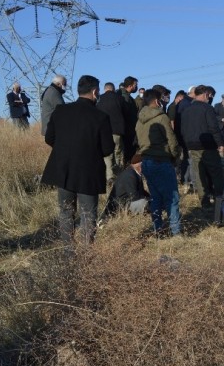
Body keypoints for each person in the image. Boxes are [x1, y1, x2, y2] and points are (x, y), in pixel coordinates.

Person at [41, 75, 113, 250]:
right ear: (95, 91)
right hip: (88, 173)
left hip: (63, 170)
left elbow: (49, 138)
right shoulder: (100, 116)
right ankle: (87, 252)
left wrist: (65, 150)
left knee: (65, 212)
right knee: (88, 215)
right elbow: (107, 149)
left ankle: (68, 250)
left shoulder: (60, 111)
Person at [136, 88, 182, 236]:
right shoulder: (162, 118)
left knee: (155, 198)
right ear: (157, 101)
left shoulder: (139, 120)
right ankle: (176, 233)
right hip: (162, 161)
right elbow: (172, 141)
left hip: (147, 162)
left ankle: (158, 229)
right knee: (172, 197)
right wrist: (175, 157)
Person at [181, 85, 224, 208]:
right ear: (206, 94)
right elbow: (213, 128)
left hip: (192, 146)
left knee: (199, 174)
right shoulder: (207, 108)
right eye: (209, 95)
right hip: (208, 146)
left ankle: (204, 201)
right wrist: (220, 144)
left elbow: (183, 129)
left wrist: (186, 143)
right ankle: (219, 199)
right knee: (216, 173)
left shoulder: (186, 109)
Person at [100, 153, 149, 221]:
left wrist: (151, 198)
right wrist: (148, 200)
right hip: (118, 209)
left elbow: (141, 191)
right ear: (140, 165)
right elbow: (134, 196)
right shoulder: (130, 175)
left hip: (125, 203)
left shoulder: (133, 172)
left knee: (150, 202)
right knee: (144, 203)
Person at [97, 82, 126, 183]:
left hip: (104, 131)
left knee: (107, 154)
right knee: (117, 152)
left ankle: (109, 177)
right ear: (113, 89)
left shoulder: (99, 99)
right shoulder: (119, 98)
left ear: (105, 89)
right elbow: (125, 113)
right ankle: (119, 175)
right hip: (117, 131)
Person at [118, 76, 139, 163]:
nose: (136, 87)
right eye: (135, 85)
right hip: (127, 131)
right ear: (130, 86)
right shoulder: (124, 97)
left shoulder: (128, 97)